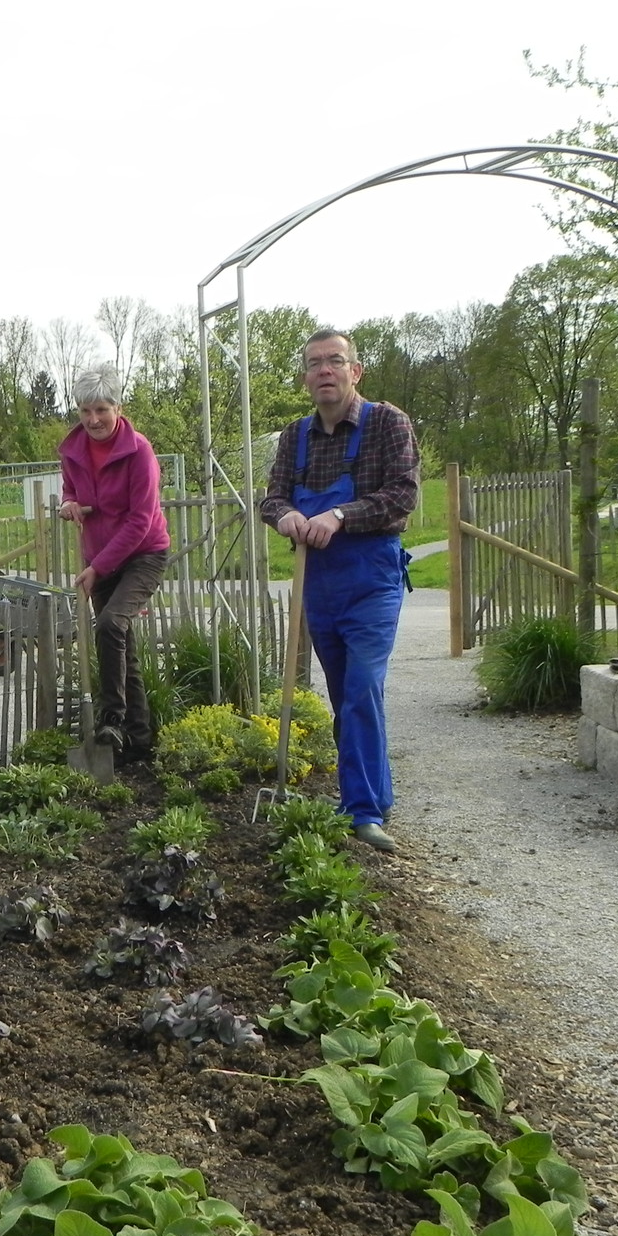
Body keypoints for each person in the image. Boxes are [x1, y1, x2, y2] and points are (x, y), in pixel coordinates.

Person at [259, 330, 417, 850]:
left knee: (362, 688)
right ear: (306, 377)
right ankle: (372, 794)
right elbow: (272, 498)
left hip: (371, 579)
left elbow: (402, 495)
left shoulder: (387, 424)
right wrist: (285, 518)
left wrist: (339, 515)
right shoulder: (296, 436)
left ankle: (364, 811)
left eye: (335, 361)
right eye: (314, 363)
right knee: (344, 691)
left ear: (356, 371)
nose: (324, 370)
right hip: (319, 582)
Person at [58, 364, 170, 762]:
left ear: (118, 408)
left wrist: (98, 568)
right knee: (122, 646)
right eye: (85, 411)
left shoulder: (139, 451)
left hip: (143, 554)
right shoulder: (72, 449)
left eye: (102, 410)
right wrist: (69, 502)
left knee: (109, 624)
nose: (93, 420)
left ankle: (113, 719)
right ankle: (139, 741)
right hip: (99, 557)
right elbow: (70, 489)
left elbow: (141, 520)